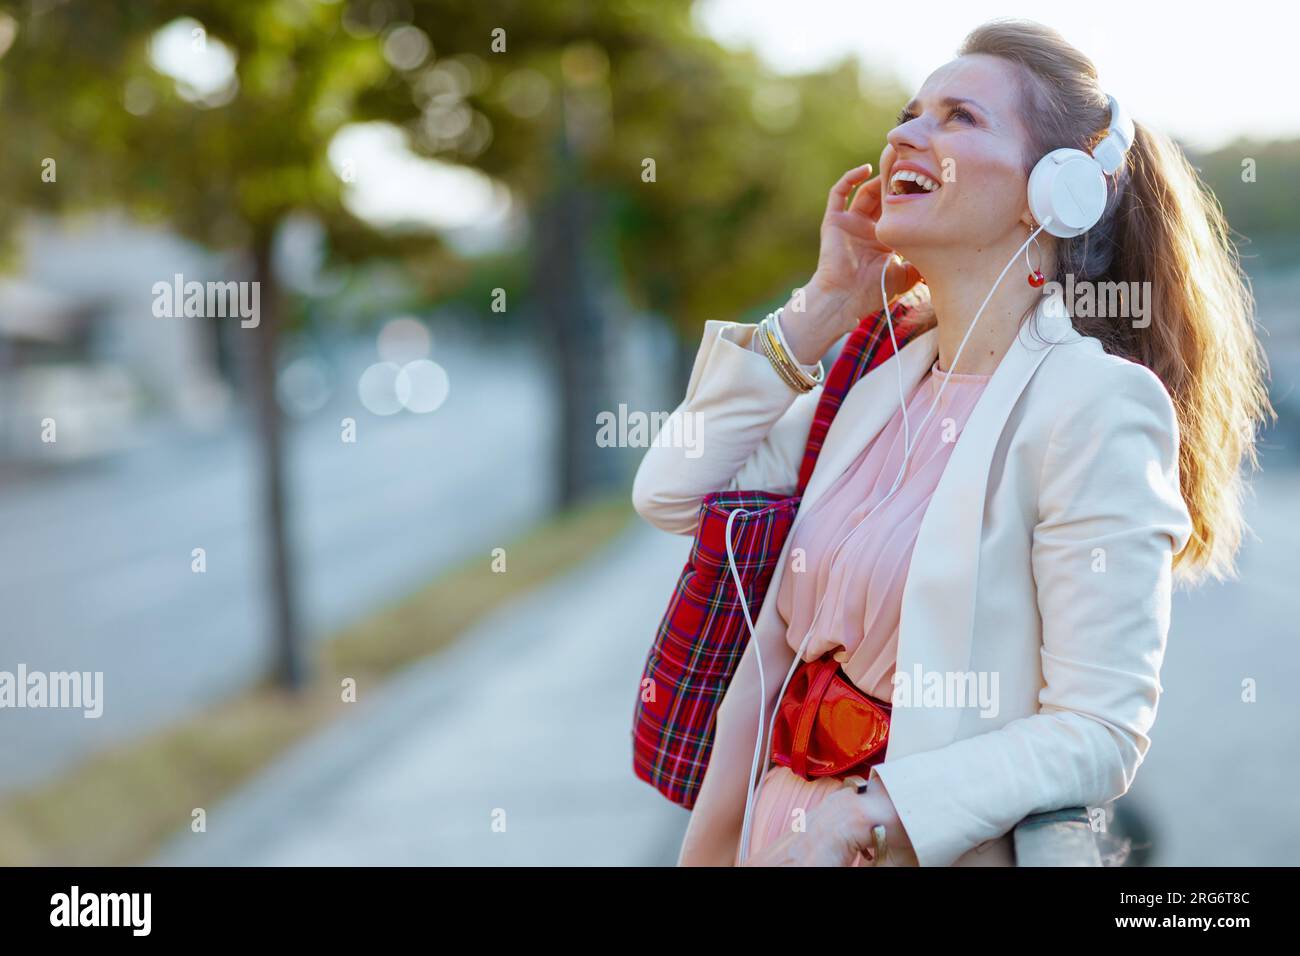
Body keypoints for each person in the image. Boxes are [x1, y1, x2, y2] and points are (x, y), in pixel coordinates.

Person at [631, 19, 1271, 867]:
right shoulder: (873, 377)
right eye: (908, 113)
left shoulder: (1095, 403)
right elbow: (670, 494)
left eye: (958, 117)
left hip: (897, 845)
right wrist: (823, 308)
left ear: (1057, 189)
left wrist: (873, 813)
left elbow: (1100, 730)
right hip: (773, 832)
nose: (904, 133)